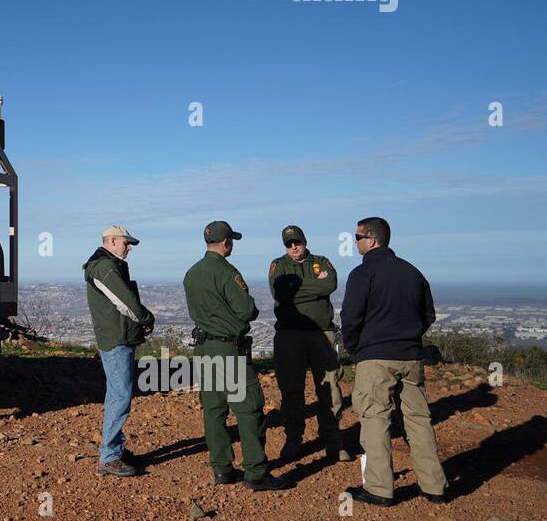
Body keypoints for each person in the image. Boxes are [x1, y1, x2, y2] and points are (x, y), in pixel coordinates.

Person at [340, 216, 448, 506]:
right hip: (411, 358)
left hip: (375, 358)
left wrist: (355, 349)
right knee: (419, 420)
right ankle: (434, 485)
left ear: (372, 240)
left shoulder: (363, 274)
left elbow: (350, 318)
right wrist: (408, 338)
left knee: (375, 418)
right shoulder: (413, 272)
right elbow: (428, 315)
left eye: (358, 237)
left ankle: (379, 488)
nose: (355, 241)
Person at [184, 221, 291, 491]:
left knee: (214, 409)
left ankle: (221, 468)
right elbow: (246, 310)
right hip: (229, 349)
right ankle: (255, 471)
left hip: (205, 349)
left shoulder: (191, 273)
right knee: (248, 408)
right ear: (226, 242)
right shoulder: (227, 272)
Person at [269, 225, 348, 462]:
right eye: (288, 244)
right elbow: (280, 293)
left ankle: (333, 440)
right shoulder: (278, 265)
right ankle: (293, 438)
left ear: (304, 241)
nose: (293, 247)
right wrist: (314, 286)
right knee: (291, 388)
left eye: (297, 242)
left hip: (322, 333)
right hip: (290, 334)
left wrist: (296, 288)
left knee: (330, 387)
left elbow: (330, 284)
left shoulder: (322, 261)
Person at [83, 225, 155, 477]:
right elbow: (125, 301)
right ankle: (110, 456)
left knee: (118, 393)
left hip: (118, 336)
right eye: (126, 243)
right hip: (116, 339)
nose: (129, 248)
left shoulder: (106, 264)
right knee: (120, 395)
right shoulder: (105, 267)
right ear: (112, 241)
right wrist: (145, 318)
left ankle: (114, 449)